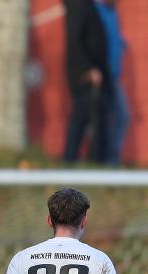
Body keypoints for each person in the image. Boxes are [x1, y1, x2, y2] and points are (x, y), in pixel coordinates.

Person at [62, 0, 109, 163]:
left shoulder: (85, 5)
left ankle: (76, 160)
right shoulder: (78, 5)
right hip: (83, 75)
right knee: (80, 120)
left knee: (84, 120)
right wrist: (88, 68)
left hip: (89, 73)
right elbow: (74, 41)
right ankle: (70, 159)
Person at [94, 0, 128, 165]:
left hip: (114, 75)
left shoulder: (112, 11)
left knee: (119, 116)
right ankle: (107, 161)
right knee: (115, 116)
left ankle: (110, 160)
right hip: (104, 75)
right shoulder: (95, 10)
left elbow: (112, 38)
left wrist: (121, 44)